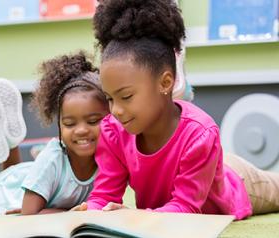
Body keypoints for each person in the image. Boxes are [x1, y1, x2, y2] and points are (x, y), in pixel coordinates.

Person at [73, 0, 279, 220]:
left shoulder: (201, 134)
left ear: (165, 82)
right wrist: (88, 211)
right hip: (204, 164)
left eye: (126, 97)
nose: (116, 110)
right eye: (109, 98)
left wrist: (137, 217)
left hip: (239, 182)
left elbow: (186, 208)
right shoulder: (113, 131)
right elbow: (104, 195)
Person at [0, 51, 109, 217]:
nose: (81, 130)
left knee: (13, 171)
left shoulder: (109, 156)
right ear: (59, 126)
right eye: (70, 124)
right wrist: (70, 213)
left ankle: (11, 141)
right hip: (7, 196)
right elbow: (29, 215)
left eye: (93, 121)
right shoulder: (52, 159)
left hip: (25, 176)